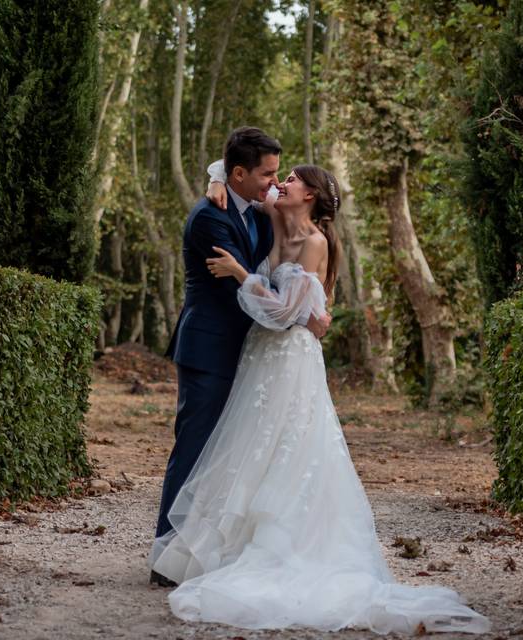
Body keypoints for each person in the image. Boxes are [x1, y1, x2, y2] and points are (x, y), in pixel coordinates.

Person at [148, 162, 491, 634]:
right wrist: (214, 180)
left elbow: (287, 314)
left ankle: (283, 548)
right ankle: (220, 549)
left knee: (290, 448)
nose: (279, 184)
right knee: (249, 448)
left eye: (290, 179)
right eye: (279, 177)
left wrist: (240, 273)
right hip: (260, 358)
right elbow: (234, 169)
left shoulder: (313, 242)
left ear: (309, 196)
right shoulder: (274, 216)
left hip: (289, 358)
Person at [152, 127, 330, 587]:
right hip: (211, 347)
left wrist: (306, 309)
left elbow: (280, 297)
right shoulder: (214, 216)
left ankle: (225, 550)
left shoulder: (264, 212)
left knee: (243, 453)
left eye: (281, 175)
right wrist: (300, 313)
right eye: (269, 174)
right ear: (238, 174)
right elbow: (257, 289)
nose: (275, 182)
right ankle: (166, 555)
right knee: (195, 449)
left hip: (258, 355)